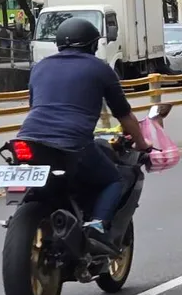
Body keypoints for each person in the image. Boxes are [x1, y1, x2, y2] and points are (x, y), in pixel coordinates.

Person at [17, 17, 151, 255]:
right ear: (92, 45)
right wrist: (143, 143)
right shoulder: (100, 69)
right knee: (114, 180)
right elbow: (124, 114)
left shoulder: (40, 67)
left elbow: (35, 106)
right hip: (72, 145)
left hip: (27, 141)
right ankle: (97, 226)